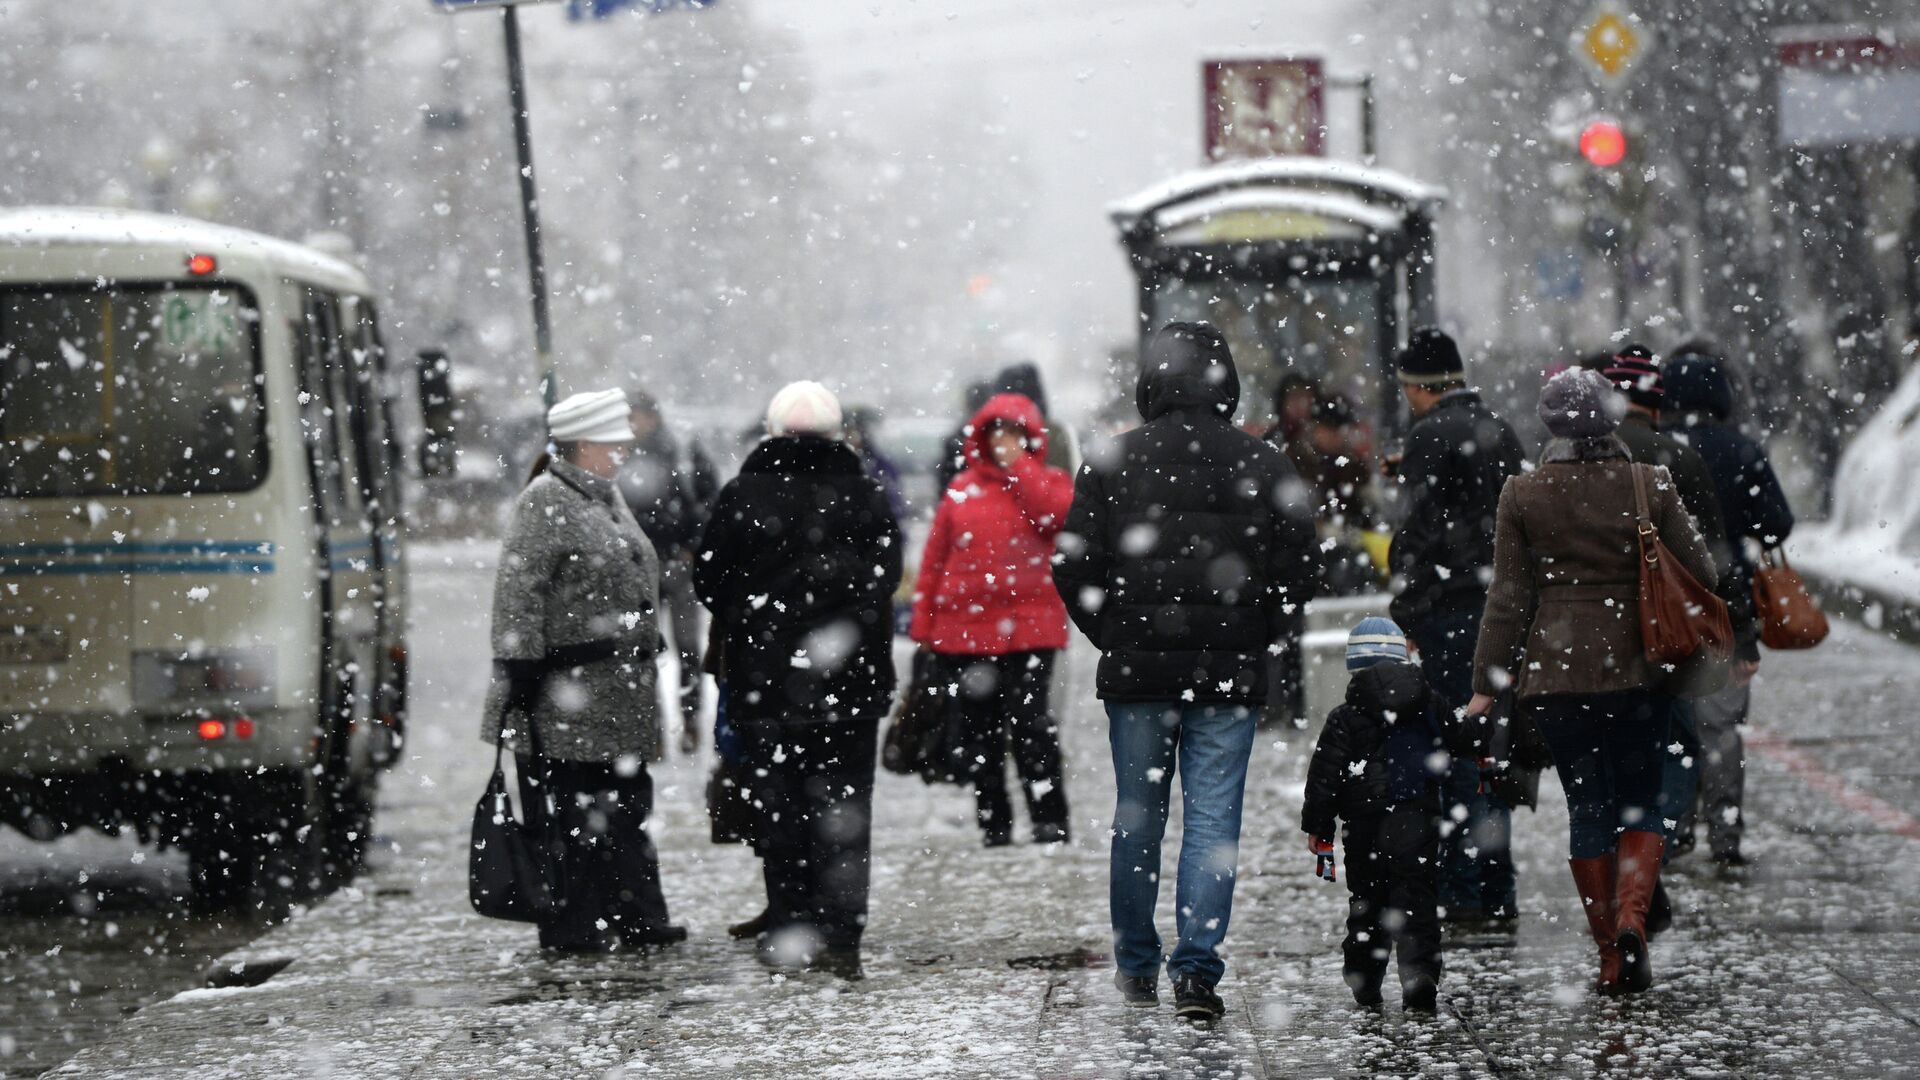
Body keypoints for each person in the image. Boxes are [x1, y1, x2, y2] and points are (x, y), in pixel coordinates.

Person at [1053, 321, 1317, 1025]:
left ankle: (1136, 963)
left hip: (1139, 670)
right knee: (1213, 820)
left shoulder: (1112, 460)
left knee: (1137, 819)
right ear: (1224, 381)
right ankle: (1196, 969)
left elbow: (1073, 563)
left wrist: (1111, 630)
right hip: (1227, 674)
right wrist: (1261, 634)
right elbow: (1299, 566)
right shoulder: (1261, 462)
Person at [1468, 368, 1718, 996]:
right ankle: (1635, 918)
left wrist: (1485, 683)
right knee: (1642, 799)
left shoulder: (1523, 494)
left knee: (1587, 806)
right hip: (1641, 667)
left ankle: (1610, 952)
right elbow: (1704, 570)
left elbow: (1507, 597)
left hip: (1556, 677)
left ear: (1549, 425)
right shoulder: (1648, 483)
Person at [695, 381, 902, 975]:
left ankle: (792, 927)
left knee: (779, 807)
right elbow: (885, 574)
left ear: (772, 432)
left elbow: (710, 580)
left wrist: (756, 614)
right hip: (851, 683)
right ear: (838, 434)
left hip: (768, 683)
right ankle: (842, 934)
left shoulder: (742, 494)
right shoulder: (864, 493)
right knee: (844, 810)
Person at [480, 388, 684, 953]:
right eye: (615, 441)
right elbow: (518, 590)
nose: (625, 449)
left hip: (616, 692)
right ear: (585, 444)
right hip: (566, 695)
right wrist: (520, 668)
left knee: (625, 808)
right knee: (571, 815)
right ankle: (578, 923)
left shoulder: (605, 495)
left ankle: (638, 915)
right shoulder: (547, 498)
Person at [1600, 346, 1753, 926]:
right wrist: (1739, 634)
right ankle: (1652, 867)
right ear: (1656, 400)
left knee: (1610, 758)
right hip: (1668, 636)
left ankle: (1624, 877)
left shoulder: (1583, 461)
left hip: (1597, 638)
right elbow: (1715, 560)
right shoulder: (1676, 460)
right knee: (1674, 743)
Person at [1385, 327, 1525, 924]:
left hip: (1453, 610)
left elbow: (1418, 534)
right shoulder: (1500, 427)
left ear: (1416, 388)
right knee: (1493, 742)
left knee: (1454, 747)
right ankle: (1497, 884)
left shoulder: (1427, 434)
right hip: (1505, 606)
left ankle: (1464, 888)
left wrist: (1408, 614)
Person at [910, 392, 1075, 847]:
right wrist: (923, 627)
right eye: (996, 433)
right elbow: (934, 561)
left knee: (1032, 730)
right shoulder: (961, 489)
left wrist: (1020, 467)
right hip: (966, 633)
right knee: (979, 735)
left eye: (1013, 433)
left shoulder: (1048, 481)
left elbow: (1053, 516)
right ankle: (994, 824)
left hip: (1030, 631)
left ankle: (1049, 820)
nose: (1003, 442)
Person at [1663, 345, 1796, 866]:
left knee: (1674, 720)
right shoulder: (1740, 448)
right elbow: (1777, 524)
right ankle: (1724, 833)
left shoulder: (1659, 449)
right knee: (1720, 724)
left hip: (1665, 599)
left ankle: (1673, 828)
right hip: (1726, 599)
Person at [1301, 617, 1453, 1013]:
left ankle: (1365, 978)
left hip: (1363, 827)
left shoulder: (1343, 717)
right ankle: (1419, 975)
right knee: (1417, 899)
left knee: (1367, 901)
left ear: (1354, 668)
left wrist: (1319, 827)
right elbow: (1461, 737)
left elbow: (1324, 778)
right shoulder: (1429, 703)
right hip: (1417, 819)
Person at [615, 390, 717, 758]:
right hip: (640, 563)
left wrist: (692, 546)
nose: (632, 425)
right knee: (642, 649)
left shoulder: (681, 453)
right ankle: (652, 728)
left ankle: (689, 722)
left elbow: (708, 503)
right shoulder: (621, 456)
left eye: (636, 416)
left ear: (652, 418)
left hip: (677, 563)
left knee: (687, 648)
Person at [843, 404, 910, 522]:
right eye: (848, 432)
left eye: (855, 432)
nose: (851, 438)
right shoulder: (839, 463)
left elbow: (895, 505)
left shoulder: (880, 465)